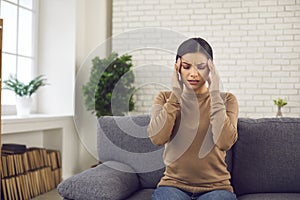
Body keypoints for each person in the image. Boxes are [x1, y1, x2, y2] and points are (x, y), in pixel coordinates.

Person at [148, 37, 238, 200]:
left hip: (216, 188)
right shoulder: (164, 98)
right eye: (186, 67)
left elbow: (225, 142)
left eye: (201, 67)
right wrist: (175, 95)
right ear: (177, 68)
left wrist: (215, 94)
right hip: (172, 186)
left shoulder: (227, 100)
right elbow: (157, 138)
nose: (193, 74)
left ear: (211, 68)